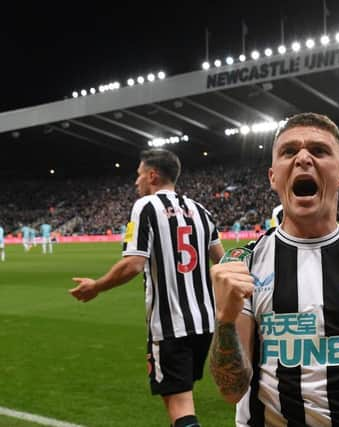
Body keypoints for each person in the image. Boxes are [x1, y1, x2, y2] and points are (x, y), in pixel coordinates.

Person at [210, 112, 339, 426]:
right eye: (289, 151)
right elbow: (231, 389)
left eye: (319, 151)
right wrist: (224, 321)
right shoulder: (243, 264)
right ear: (273, 176)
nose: (303, 158)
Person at [69, 148, 225, 427]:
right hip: (204, 323)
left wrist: (97, 286)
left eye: (139, 175)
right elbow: (223, 262)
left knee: (180, 408)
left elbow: (133, 264)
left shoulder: (146, 206)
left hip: (170, 325)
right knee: (184, 398)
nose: (136, 182)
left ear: (152, 175)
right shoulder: (201, 210)